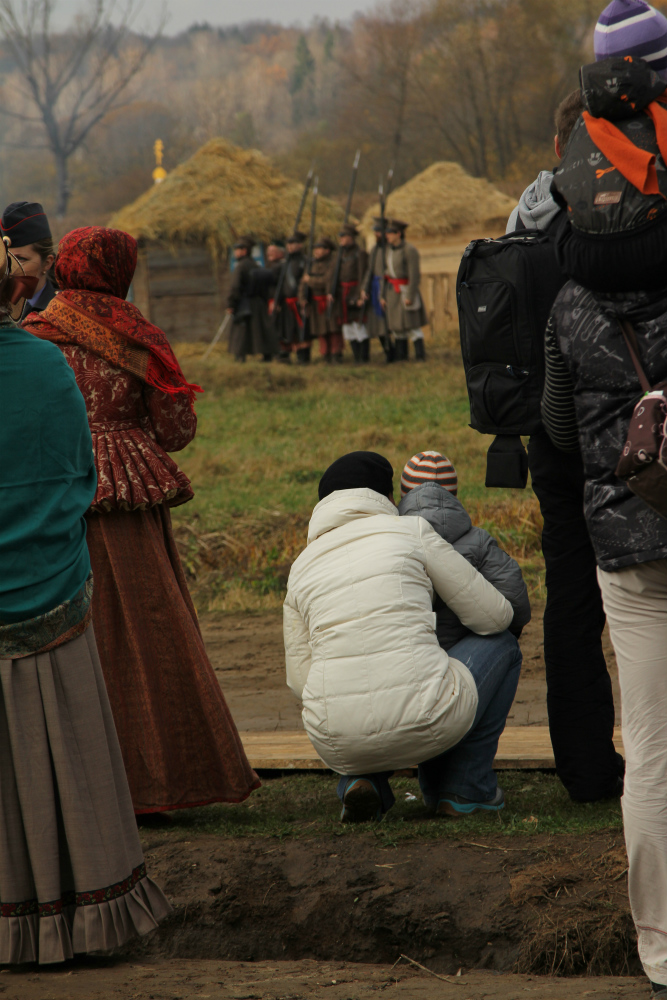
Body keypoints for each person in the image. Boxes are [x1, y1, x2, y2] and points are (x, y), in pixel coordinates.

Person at [24, 226, 260, 816]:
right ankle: (163, 781)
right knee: (150, 630)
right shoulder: (140, 334)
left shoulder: (32, 335)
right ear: (121, 270)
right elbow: (177, 433)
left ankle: (71, 790)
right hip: (127, 497)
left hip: (51, 502)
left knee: (65, 633)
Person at [541, 8, 667, 995]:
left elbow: (551, 428)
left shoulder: (569, 304)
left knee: (652, 756)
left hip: (625, 540)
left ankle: (659, 946)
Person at [0, 236, 171, 962]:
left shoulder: (54, 344)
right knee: (65, 752)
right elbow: (78, 475)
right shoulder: (44, 363)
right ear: (12, 290)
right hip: (51, 589)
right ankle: (89, 919)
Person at [283, 451, 522, 822]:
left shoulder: (300, 568)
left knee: (344, 689)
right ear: (387, 497)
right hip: (429, 719)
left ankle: (361, 780)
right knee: (503, 643)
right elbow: (494, 617)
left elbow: (301, 680)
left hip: (336, 741)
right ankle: (466, 789)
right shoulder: (411, 532)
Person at [506, 88, 625, 803]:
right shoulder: (629, 207)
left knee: (571, 600)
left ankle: (585, 768)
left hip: (548, 437)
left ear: (556, 146)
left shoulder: (521, 214)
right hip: (627, 424)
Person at [398, 451, 531, 650]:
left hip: (405, 658)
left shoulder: (390, 541)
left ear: (404, 497)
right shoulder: (479, 542)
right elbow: (517, 606)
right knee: (506, 642)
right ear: (453, 497)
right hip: (462, 659)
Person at [0, 200, 56, 318]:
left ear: (47, 263)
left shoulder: (60, 312)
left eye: (21, 259)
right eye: (6, 259)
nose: (10, 268)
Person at [382, 219, 426, 361]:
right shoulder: (389, 250)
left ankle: (420, 356)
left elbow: (414, 275)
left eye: (390, 233)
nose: (387, 236)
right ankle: (402, 357)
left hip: (405, 291)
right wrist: (383, 295)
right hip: (393, 293)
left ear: (398, 234)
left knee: (412, 326)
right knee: (397, 328)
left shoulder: (409, 250)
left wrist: (410, 296)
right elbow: (387, 274)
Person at [226, 235, 275, 362]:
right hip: (258, 303)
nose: (236, 252)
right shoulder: (255, 265)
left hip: (245, 303)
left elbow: (235, 287)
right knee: (259, 329)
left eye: (238, 249)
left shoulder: (241, 266)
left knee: (241, 331)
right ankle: (266, 356)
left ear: (244, 251)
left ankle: (240, 357)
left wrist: (231, 303)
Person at [300, 237, 341, 363]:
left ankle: (336, 353)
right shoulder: (311, 264)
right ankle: (325, 353)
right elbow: (303, 283)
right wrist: (302, 299)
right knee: (320, 330)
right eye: (315, 249)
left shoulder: (333, 263)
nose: (316, 251)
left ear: (327, 250)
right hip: (315, 302)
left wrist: (310, 281)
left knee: (333, 329)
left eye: (320, 249)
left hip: (329, 300)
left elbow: (326, 281)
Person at [332, 223, 369, 363]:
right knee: (348, 328)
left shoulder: (359, 253)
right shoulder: (340, 254)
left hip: (354, 291)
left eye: (343, 236)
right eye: (340, 236)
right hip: (343, 294)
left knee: (358, 326)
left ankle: (363, 357)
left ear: (350, 237)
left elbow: (362, 274)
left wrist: (361, 294)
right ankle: (356, 357)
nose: (340, 239)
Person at [274, 230, 310, 364]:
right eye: (288, 244)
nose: (290, 246)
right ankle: (285, 355)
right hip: (286, 303)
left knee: (302, 331)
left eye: (293, 243)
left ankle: (303, 356)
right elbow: (280, 284)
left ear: (300, 245)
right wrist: (277, 301)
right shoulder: (284, 263)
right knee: (287, 330)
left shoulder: (305, 261)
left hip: (299, 301)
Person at [361, 218, 393, 361]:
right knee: (379, 324)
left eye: (379, 231)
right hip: (375, 288)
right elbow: (370, 270)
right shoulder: (374, 250)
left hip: (389, 287)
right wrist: (364, 288)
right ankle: (388, 352)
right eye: (375, 231)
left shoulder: (390, 249)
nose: (376, 234)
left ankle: (396, 352)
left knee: (391, 323)